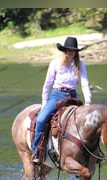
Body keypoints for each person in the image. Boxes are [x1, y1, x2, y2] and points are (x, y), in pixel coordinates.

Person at [31, 36, 92, 164]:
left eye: (73, 50)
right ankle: (36, 151)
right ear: (64, 50)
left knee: (86, 123)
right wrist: (44, 103)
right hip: (57, 95)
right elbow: (47, 84)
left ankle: (87, 155)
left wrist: (88, 102)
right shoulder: (55, 63)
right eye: (69, 50)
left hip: (73, 96)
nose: (71, 52)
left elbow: (85, 84)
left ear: (76, 52)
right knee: (41, 119)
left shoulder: (80, 64)